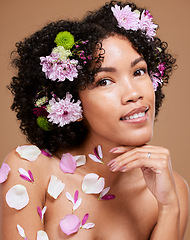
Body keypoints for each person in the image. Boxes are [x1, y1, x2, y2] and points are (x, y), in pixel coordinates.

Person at [0, 1, 189, 239]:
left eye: (139, 71)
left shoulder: (171, 190)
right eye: (104, 81)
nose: (134, 94)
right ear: (68, 99)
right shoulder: (28, 170)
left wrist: (169, 207)